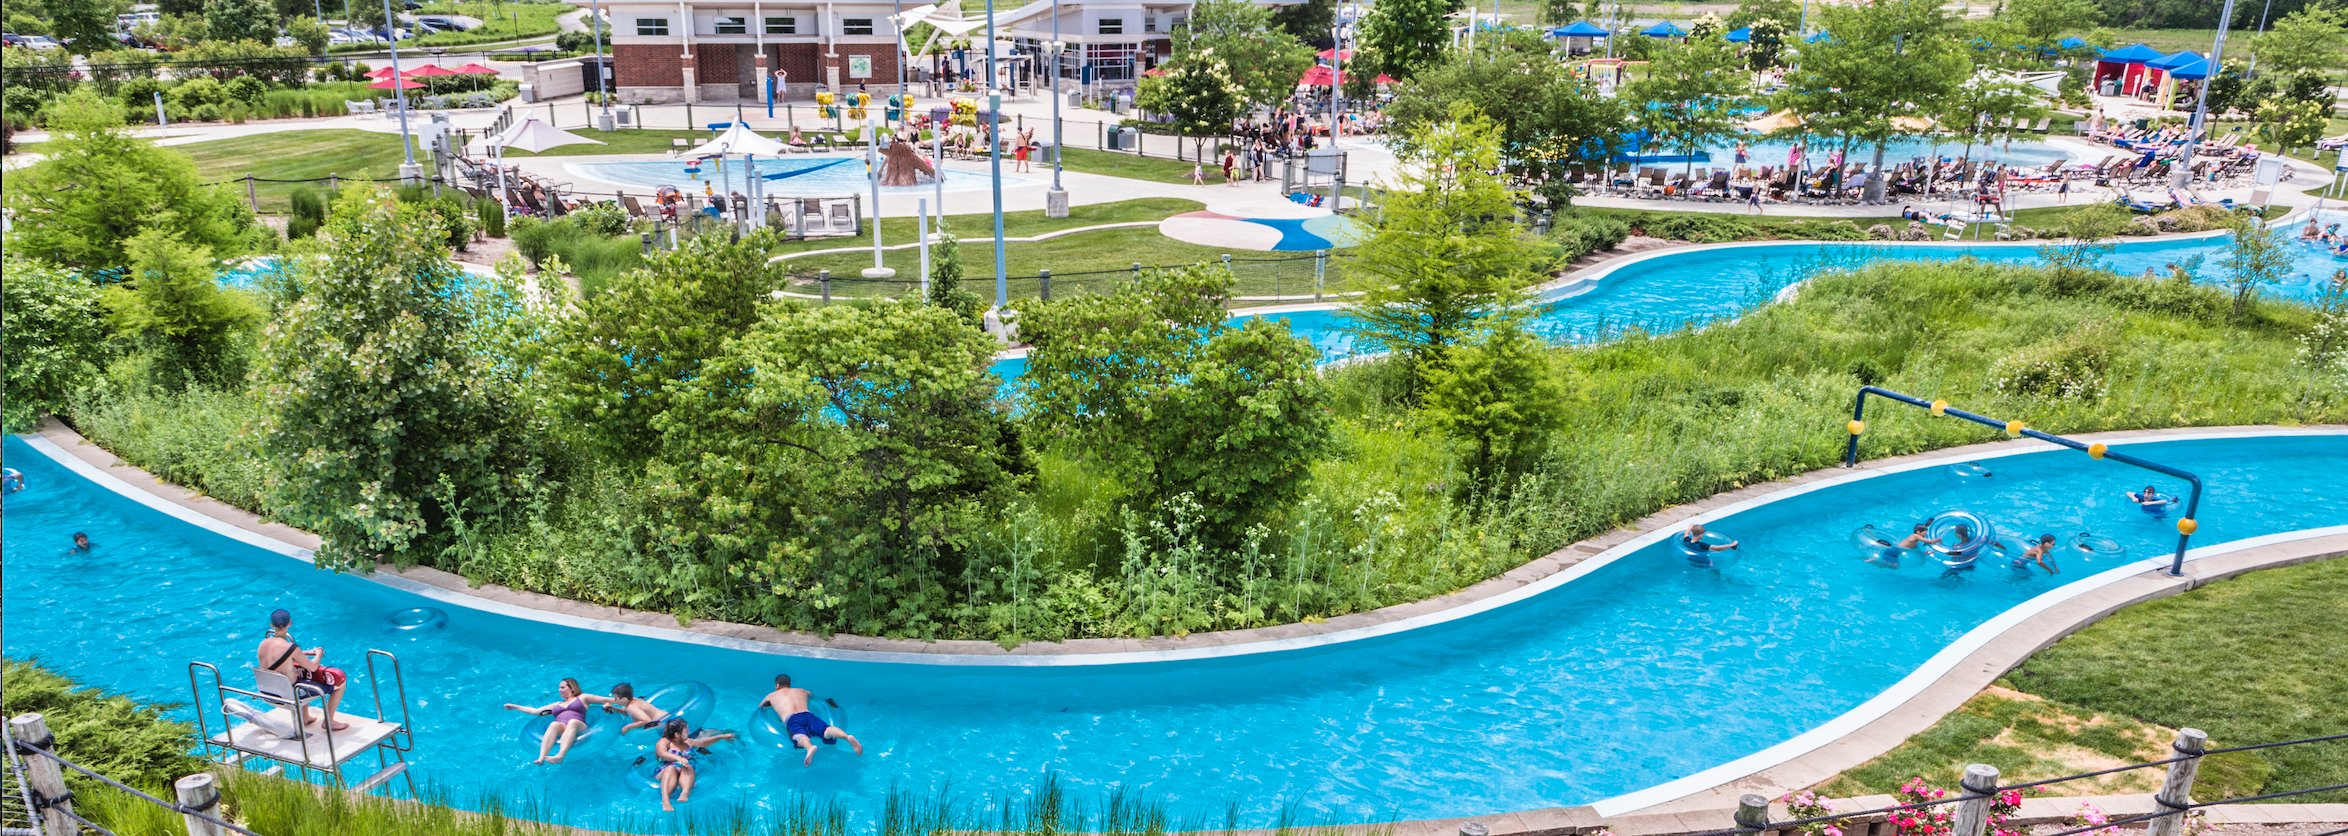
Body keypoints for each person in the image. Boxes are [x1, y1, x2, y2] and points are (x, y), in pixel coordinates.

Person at [258, 609, 349, 731]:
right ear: (290, 623)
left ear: (271, 625)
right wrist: (318, 654)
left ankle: (305, 717)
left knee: (301, 678)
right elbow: (312, 667)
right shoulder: (291, 648)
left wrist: (304, 653)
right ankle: (329, 721)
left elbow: (280, 656)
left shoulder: (262, 644)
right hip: (289, 696)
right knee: (340, 685)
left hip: (267, 694)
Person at [757, 674, 862, 767]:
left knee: (799, 736)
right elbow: (812, 695)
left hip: (792, 718)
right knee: (826, 730)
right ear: (789, 684)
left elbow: (759, 709)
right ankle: (847, 737)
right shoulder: (801, 690)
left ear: (777, 686)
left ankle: (810, 747)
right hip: (808, 714)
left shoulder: (771, 695)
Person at [504, 678, 596, 764]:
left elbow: (605, 700)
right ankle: (541, 758)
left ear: (572, 688)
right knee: (554, 724)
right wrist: (515, 707)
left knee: (573, 722)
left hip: (579, 726)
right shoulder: (557, 704)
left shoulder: (582, 699)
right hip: (562, 727)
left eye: (562, 687)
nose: (559, 690)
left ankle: (560, 755)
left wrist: (607, 704)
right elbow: (535, 711)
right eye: (559, 688)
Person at [652, 717, 736, 811]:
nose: (688, 732)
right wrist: (678, 758)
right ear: (677, 734)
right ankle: (665, 800)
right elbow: (662, 753)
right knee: (671, 768)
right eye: (685, 730)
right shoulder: (664, 741)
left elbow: (702, 743)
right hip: (665, 771)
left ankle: (685, 792)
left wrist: (720, 737)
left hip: (686, 770)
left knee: (687, 766)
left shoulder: (687, 742)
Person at [605, 682, 686, 733]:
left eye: (616, 698)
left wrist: (628, 727)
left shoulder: (632, 707)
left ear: (624, 699)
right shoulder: (633, 701)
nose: (614, 700)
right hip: (670, 720)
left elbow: (647, 720)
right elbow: (627, 713)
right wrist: (613, 708)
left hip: (668, 725)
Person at [1866, 523, 1940, 568]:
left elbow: (1918, 553)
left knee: (1893, 567)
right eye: (1924, 533)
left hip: (1895, 552)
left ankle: (1875, 560)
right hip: (1893, 551)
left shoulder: (1915, 540)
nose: (1925, 534)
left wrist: (1932, 551)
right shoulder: (1915, 536)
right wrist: (1939, 539)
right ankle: (1874, 560)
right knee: (1891, 566)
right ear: (1918, 532)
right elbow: (1931, 542)